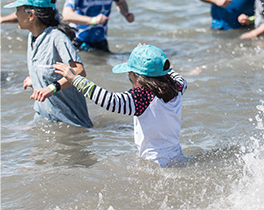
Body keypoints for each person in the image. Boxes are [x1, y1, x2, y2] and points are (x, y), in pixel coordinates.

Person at [52, 44, 187, 166]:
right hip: (177, 157)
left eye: (130, 76)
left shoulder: (142, 97)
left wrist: (74, 79)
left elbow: (109, 100)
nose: (130, 79)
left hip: (154, 163)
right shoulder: (177, 87)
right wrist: (152, 60)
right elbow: (170, 73)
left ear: (138, 77)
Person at [4, 0, 92, 128]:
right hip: (43, 119)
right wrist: (35, 78)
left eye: (18, 10)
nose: (15, 15)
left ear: (31, 15)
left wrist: (52, 87)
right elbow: (48, 69)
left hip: (71, 125)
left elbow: (79, 72)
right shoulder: (32, 38)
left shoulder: (57, 38)